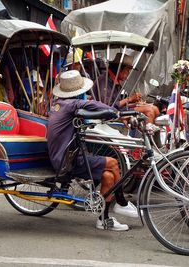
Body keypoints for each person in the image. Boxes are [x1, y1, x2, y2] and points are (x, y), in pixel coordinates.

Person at [47, 70, 138, 231]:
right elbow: (96, 106)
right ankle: (122, 202)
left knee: (109, 176)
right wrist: (116, 112)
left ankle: (103, 219)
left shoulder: (58, 104)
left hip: (64, 156)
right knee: (113, 163)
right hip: (66, 161)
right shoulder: (72, 105)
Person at [93, 53, 160, 123]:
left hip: (118, 111)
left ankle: (150, 131)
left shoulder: (115, 82)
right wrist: (129, 99)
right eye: (127, 70)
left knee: (155, 109)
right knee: (149, 111)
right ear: (119, 69)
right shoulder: (105, 80)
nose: (128, 73)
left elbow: (119, 104)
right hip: (109, 115)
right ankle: (149, 131)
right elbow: (108, 106)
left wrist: (136, 104)